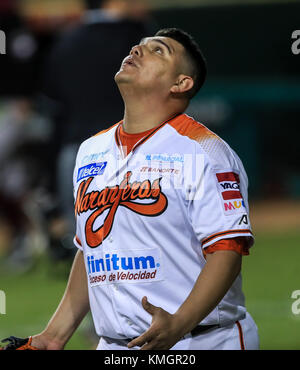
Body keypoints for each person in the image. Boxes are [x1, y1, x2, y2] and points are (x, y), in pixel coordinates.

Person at [2, 27, 259, 350]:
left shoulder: (204, 151)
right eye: (138, 46)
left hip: (203, 340)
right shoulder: (91, 150)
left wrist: (179, 324)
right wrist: (53, 337)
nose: (137, 50)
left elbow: (227, 250)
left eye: (158, 50)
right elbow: (91, 249)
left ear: (181, 83)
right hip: (114, 346)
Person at [42, 0, 152, 260]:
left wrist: (50, 186)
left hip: (78, 155)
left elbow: (54, 113)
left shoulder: (64, 43)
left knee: (89, 253)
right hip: (134, 151)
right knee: (143, 247)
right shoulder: (141, 40)